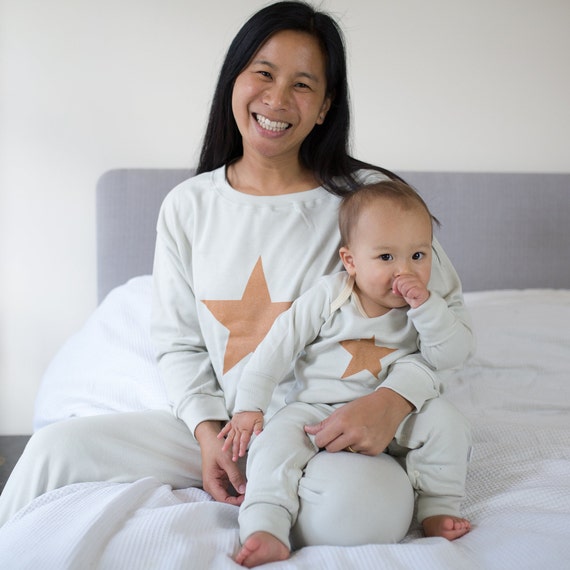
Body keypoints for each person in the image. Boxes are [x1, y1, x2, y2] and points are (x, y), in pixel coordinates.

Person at [0, 0, 473, 553]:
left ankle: (285, 500)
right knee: (57, 448)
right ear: (235, 81)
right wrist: (207, 435)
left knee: (359, 515)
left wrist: (393, 401)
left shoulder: (372, 204)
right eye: (264, 74)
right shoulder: (188, 206)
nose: (276, 99)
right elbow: (178, 345)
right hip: (228, 430)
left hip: (327, 431)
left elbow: (446, 325)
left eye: (303, 84)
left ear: (325, 107)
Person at [220, 180, 472, 567]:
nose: (404, 271)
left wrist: (429, 310)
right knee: (274, 446)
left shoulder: (426, 308)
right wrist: (249, 406)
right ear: (351, 261)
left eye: (418, 255)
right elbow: (277, 346)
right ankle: (266, 524)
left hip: (397, 414)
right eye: (386, 257)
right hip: (316, 410)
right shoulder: (330, 294)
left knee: (447, 421)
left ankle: (437, 506)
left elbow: (450, 356)